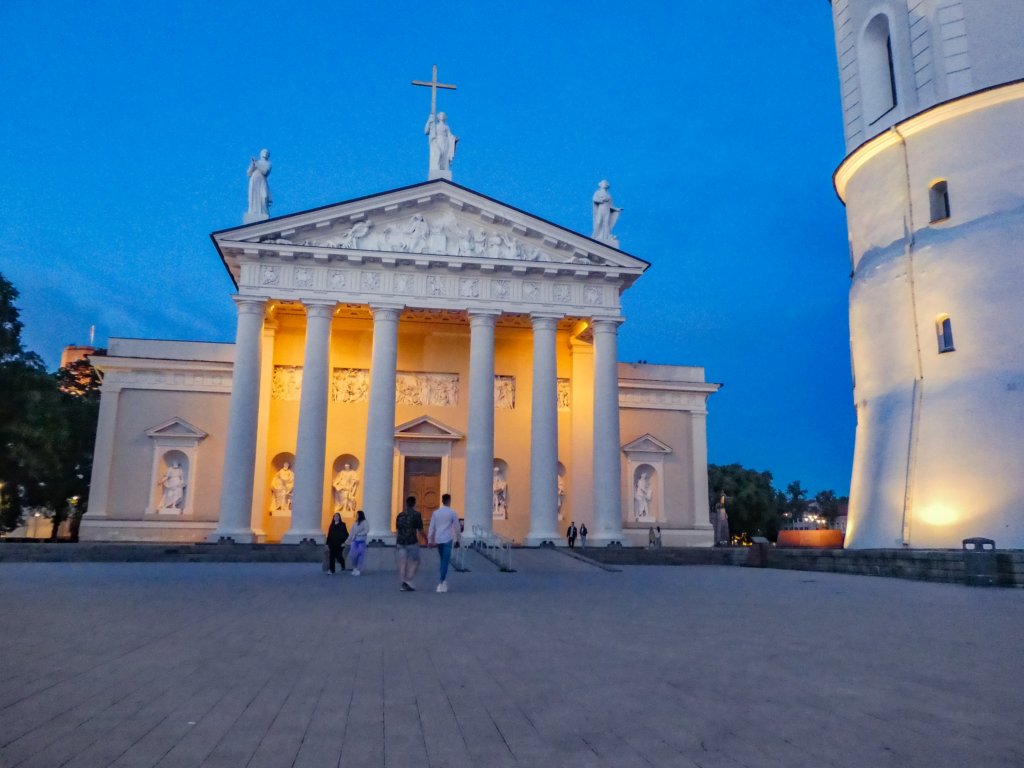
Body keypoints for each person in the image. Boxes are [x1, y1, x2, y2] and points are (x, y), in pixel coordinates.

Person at [428, 493, 461, 593]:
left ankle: (443, 581)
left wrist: (430, 540)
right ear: (449, 501)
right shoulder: (452, 513)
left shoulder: (436, 513)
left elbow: (431, 527)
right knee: (445, 561)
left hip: (438, 539)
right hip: (447, 539)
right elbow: (457, 527)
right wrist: (457, 540)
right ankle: (441, 582)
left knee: (443, 560)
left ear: (442, 501)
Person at [395, 495, 424, 591]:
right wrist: (426, 539)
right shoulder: (416, 515)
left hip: (401, 541)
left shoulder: (400, 515)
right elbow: (420, 529)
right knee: (416, 561)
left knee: (402, 562)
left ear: (406, 504)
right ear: (414, 504)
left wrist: (396, 542)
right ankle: (408, 580)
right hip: (412, 542)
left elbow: (398, 530)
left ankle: (403, 582)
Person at [246, 149, 272, 220]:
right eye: (264, 152)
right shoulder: (256, 162)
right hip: (254, 181)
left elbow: (265, 171)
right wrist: (252, 165)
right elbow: (249, 173)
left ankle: (263, 212)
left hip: (262, 181)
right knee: (253, 197)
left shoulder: (268, 163)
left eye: (267, 152)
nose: (265, 153)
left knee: (264, 197)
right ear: (261, 153)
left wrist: (256, 163)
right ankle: (253, 212)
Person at [346, 509, 369, 575]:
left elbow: (366, 530)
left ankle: (358, 569)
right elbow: (351, 532)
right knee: (352, 555)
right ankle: (355, 567)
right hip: (354, 540)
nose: (356, 515)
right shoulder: (355, 523)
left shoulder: (365, 522)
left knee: (360, 555)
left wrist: (359, 534)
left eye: (357, 514)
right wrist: (347, 540)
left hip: (361, 540)